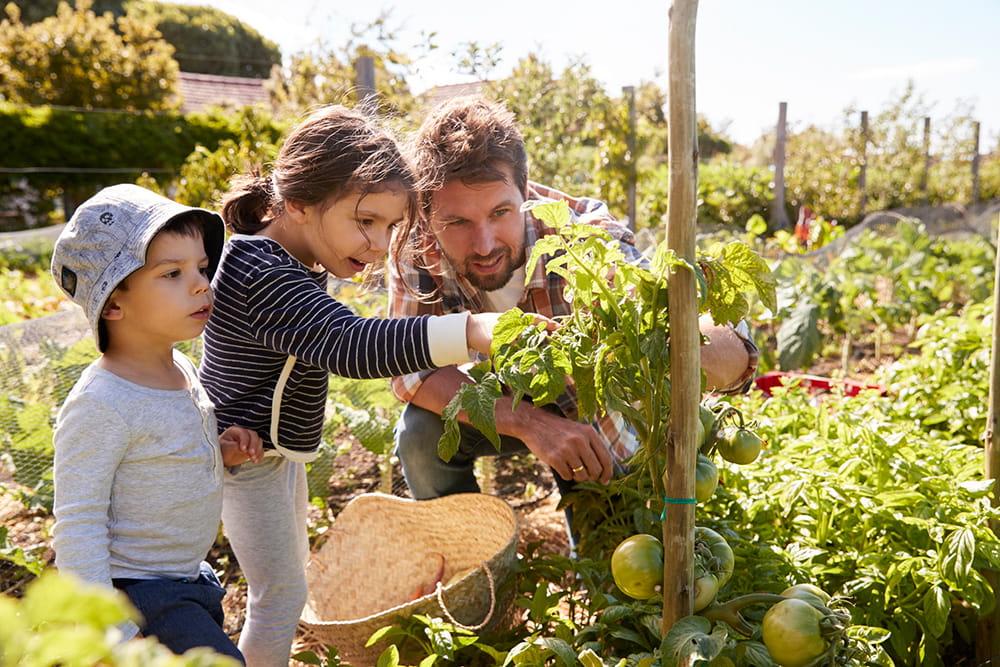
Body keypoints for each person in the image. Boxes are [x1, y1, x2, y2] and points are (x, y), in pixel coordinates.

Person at [197, 105, 516, 667]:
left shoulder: (288, 259)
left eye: (391, 227)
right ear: (297, 202)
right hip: (244, 459)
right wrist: (469, 331)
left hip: (268, 455)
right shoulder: (261, 272)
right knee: (280, 598)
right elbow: (348, 343)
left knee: (283, 584)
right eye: (365, 221)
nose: (377, 244)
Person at [389, 96, 758, 502]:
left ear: (525, 191)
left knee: (609, 545)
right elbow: (412, 371)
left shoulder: (582, 236)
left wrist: (665, 343)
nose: (484, 244)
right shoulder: (416, 247)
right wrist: (530, 423)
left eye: (500, 212)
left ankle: (591, 520)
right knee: (420, 435)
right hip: (499, 396)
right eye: (457, 222)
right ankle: (466, 552)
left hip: (590, 412)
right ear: (427, 212)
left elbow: (726, 349)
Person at [50, 184, 264, 663]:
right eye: (172, 273)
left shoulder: (180, 369)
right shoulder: (101, 403)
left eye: (201, 268)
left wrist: (219, 450)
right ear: (113, 304)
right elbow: (78, 526)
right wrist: (115, 633)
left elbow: (163, 454)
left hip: (188, 579)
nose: (200, 284)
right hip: (139, 597)